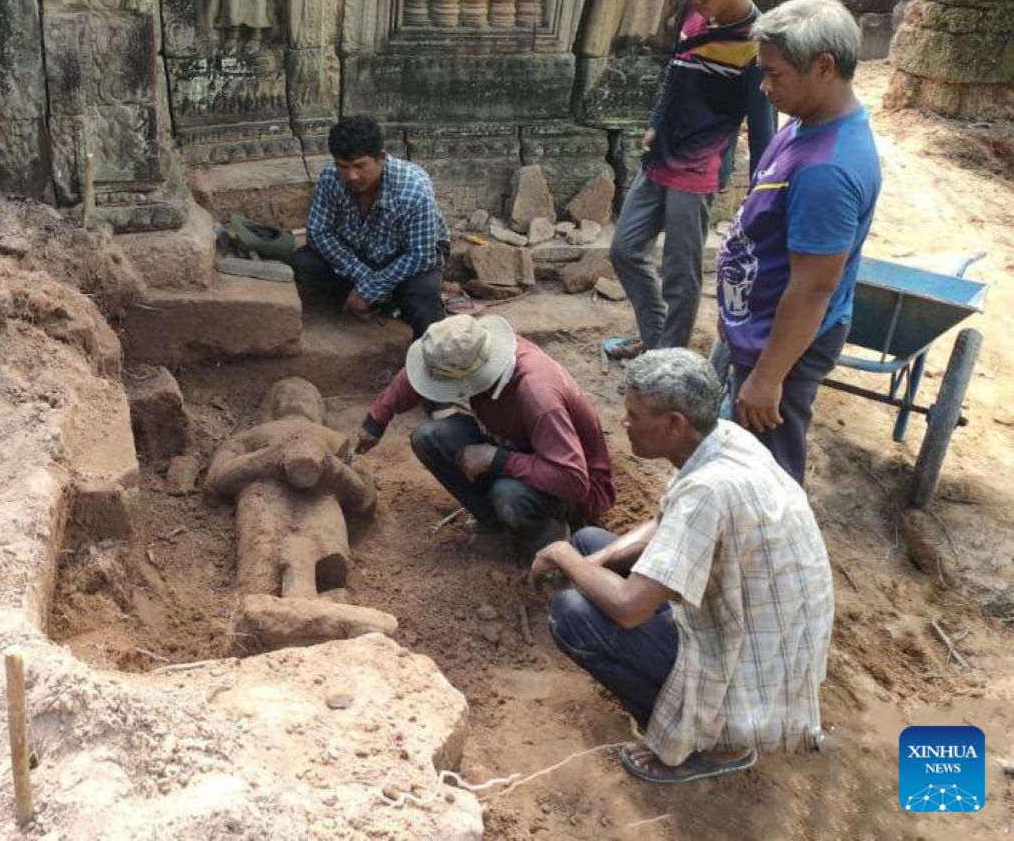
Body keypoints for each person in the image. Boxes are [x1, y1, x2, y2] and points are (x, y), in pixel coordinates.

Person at [533, 349, 833, 784]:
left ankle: (710, 744)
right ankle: (694, 716)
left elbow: (630, 607)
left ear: (675, 423)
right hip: (758, 631)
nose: (625, 423)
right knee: (590, 543)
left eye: (635, 415)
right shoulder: (724, 439)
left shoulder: (709, 489)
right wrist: (588, 560)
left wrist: (562, 556)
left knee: (573, 614)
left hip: (750, 668)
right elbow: (664, 520)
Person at [716, 0, 881, 482]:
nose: (764, 87)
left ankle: (766, 555)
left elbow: (813, 288)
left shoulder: (827, 171)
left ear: (824, 67)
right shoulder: (809, 123)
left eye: (776, 74)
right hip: (760, 329)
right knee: (739, 453)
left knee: (765, 473)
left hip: (781, 345)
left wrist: (768, 378)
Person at [607, 0, 778, 360]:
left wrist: (761, 196)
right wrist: (655, 121)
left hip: (698, 170)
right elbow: (674, 72)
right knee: (625, 250)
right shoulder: (693, 13)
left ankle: (669, 365)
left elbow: (763, 128)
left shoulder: (757, 45)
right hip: (660, 155)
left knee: (680, 275)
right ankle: (656, 336)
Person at [355, 314, 614, 555]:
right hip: (516, 447)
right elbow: (424, 369)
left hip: (574, 488)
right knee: (429, 437)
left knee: (510, 495)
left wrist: (497, 459)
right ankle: (500, 526)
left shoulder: (537, 395)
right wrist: (376, 419)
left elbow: (573, 480)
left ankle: (547, 543)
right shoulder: (476, 347)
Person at [290, 116, 449, 339]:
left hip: (404, 260)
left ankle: (429, 357)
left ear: (381, 158)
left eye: (360, 166)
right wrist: (365, 279)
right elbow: (318, 232)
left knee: (424, 296)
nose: (351, 176)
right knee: (303, 263)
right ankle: (381, 303)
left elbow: (421, 255)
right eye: (343, 166)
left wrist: (368, 289)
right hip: (359, 256)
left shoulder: (413, 188)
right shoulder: (331, 177)